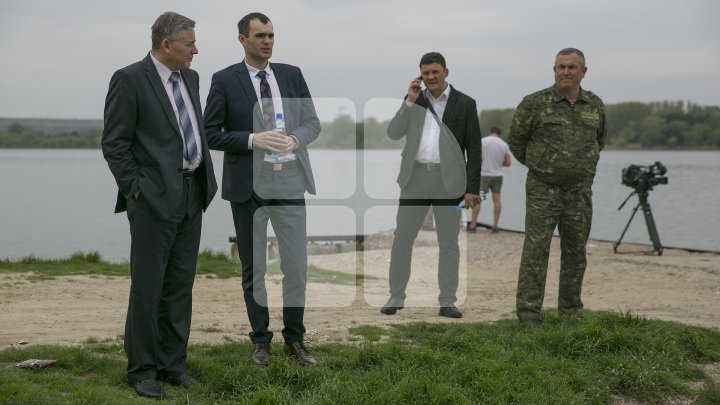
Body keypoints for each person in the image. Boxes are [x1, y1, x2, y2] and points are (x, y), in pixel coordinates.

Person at [101, 12, 217, 399]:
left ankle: (173, 366)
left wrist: (199, 185)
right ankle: (142, 371)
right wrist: (136, 189)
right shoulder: (130, 79)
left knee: (180, 286)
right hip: (151, 199)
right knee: (149, 287)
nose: (195, 50)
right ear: (166, 44)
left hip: (192, 194)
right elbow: (115, 143)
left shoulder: (192, 79)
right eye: (190, 43)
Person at [204, 12, 320, 367]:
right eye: (259, 35)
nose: (267, 41)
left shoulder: (291, 74)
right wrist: (253, 139)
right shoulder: (224, 80)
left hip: (289, 182)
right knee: (254, 268)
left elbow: (313, 124)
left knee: (296, 266)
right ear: (242, 39)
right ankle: (260, 341)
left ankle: (295, 339)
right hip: (247, 188)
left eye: (271, 35)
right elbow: (211, 133)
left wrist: (295, 140)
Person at [508, 48, 606, 327]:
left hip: (579, 191)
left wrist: (580, 169)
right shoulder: (535, 103)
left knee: (576, 252)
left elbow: (600, 141)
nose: (565, 72)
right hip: (543, 190)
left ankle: (571, 312)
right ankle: (529, 313)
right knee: (536, 251)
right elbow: (516, 142)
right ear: (554, 70)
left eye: (572, 67)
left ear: (583, 72)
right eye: (560, 67)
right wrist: (541, 165)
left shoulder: (595, 105)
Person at [381, 52, 482, 319]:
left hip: (449, 182)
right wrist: (409, 102)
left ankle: (447, 300)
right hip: (415, 179)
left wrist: (472, 189)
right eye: (425, 73)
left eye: (435, 72)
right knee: (402, 239)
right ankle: (396, 296)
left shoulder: (465, 104)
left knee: (449, 242)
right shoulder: (415, 101)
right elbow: (393, 133)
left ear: (446, 72)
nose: (430, 77)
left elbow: (474, 148)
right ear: (420, 75)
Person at [467, 127, 511, 233]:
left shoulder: (482, 141)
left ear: (489, 132)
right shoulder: (504, 144)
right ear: (499, 134)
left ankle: (473, 225)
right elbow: (508, 163)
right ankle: (495, 226)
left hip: (483, 175)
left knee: (478, 199)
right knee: (496, 199)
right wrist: (498, 163)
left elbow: (475, 157)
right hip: (497, 176)